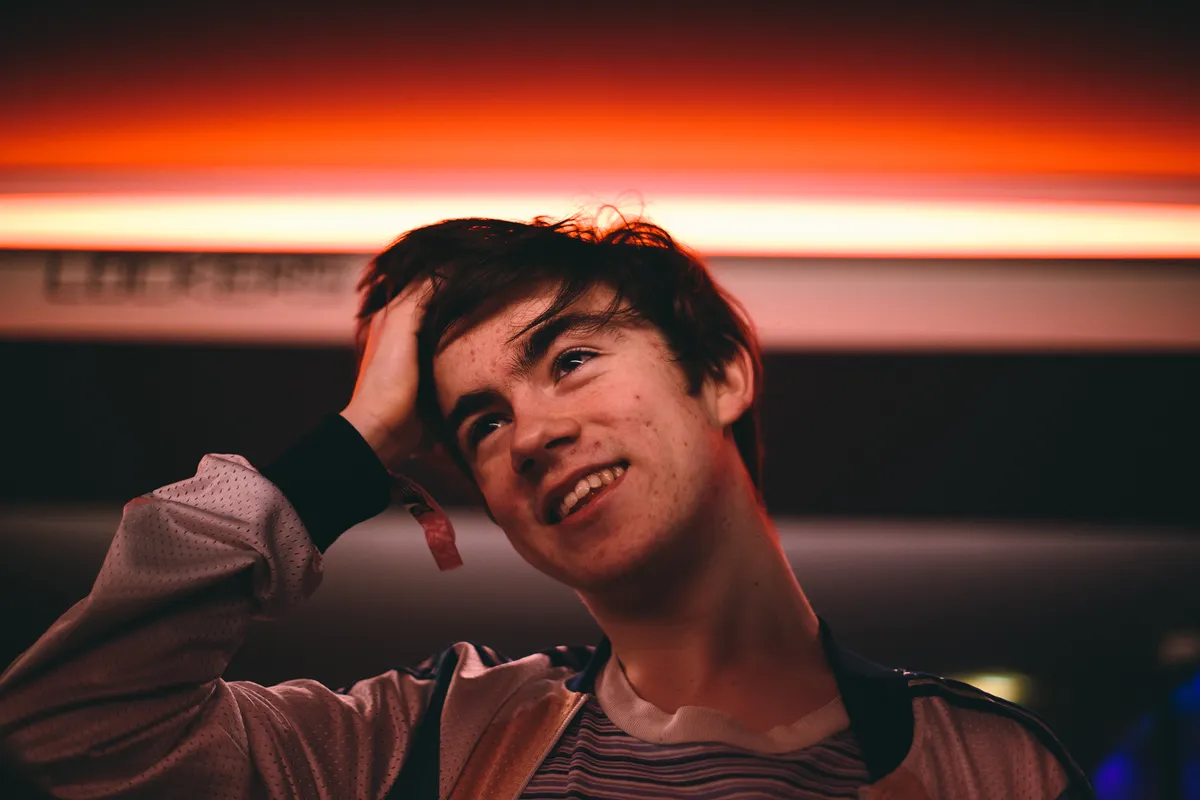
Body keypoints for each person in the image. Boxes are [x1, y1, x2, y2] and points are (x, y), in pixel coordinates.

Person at [0, 214, 1092, 798]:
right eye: (480, 422)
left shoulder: (993, 769)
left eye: (570, 360)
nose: (530, 433)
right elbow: (72, 729)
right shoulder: (411, 745)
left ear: (720, 374)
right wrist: (350, 447)